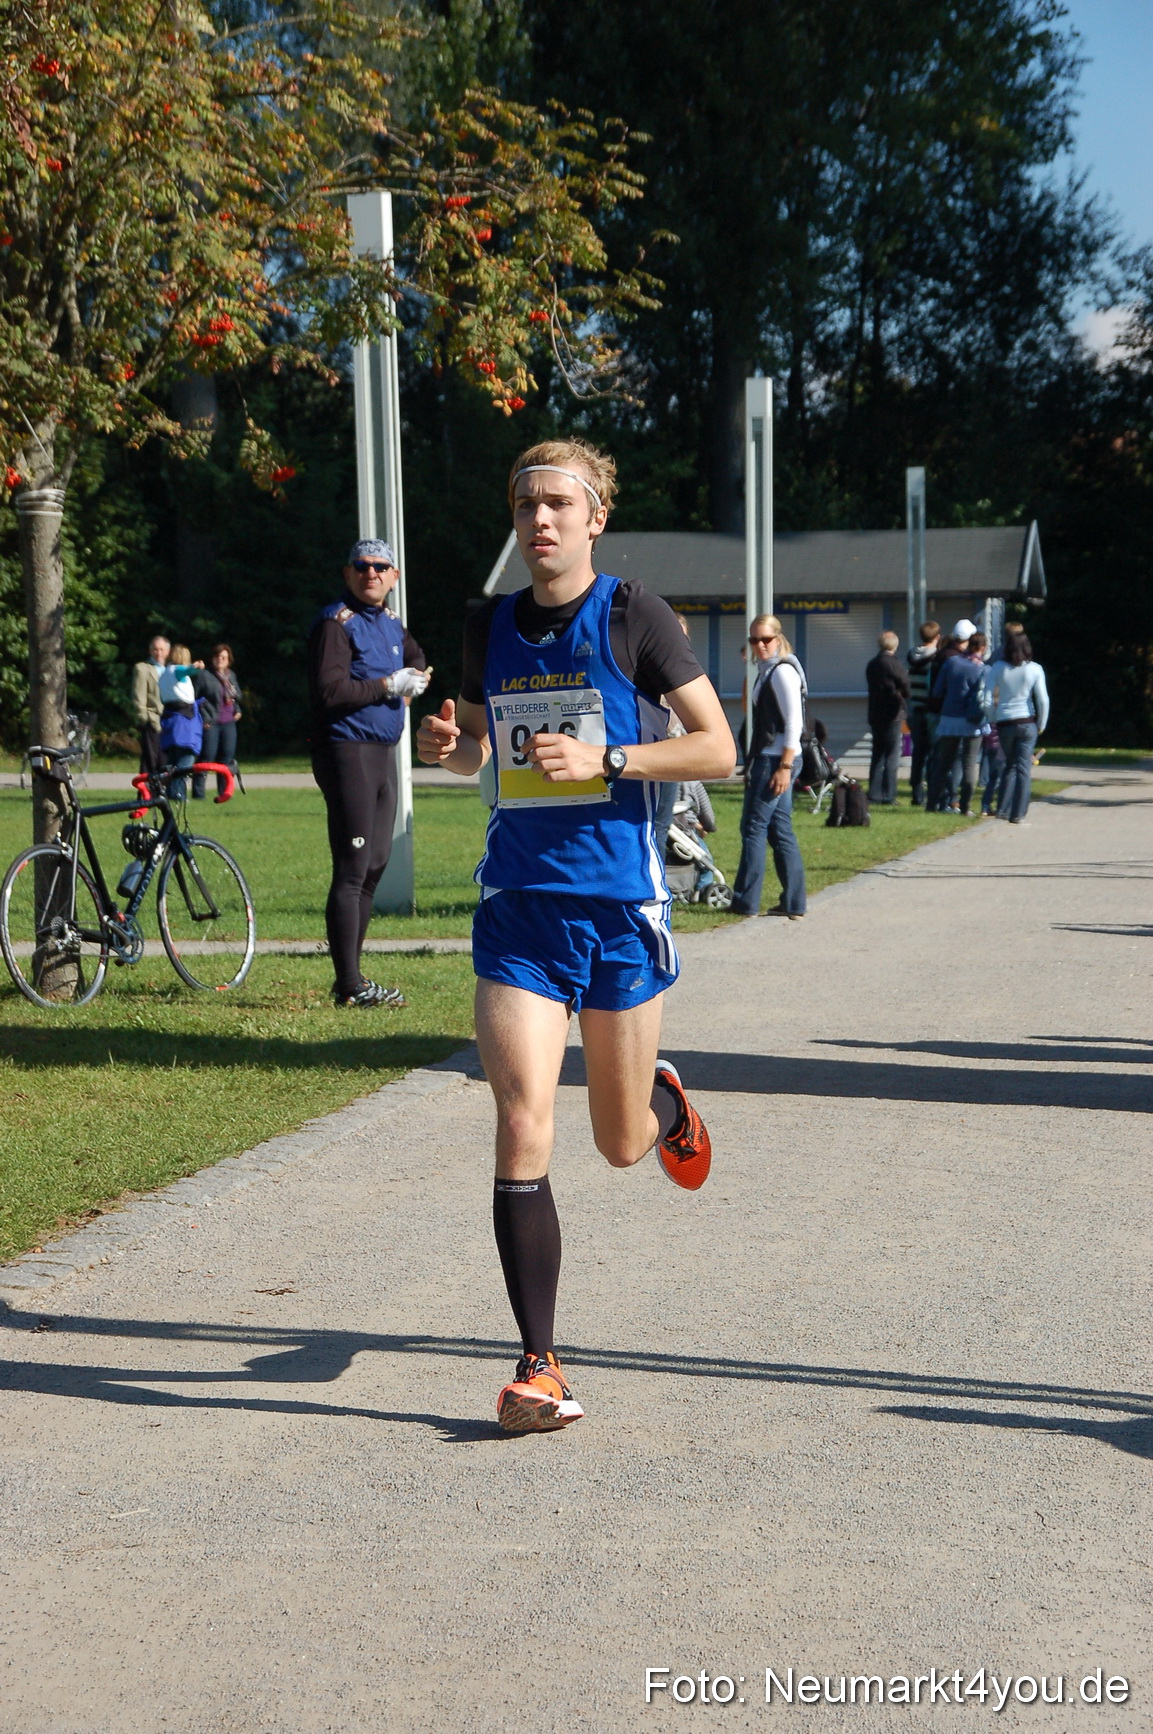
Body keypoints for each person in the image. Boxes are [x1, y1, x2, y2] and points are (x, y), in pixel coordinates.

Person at [416, 437, 735, 1433]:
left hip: (619, 910)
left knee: (619, 1145)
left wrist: (610, 758)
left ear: (594, 517)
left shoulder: (633, 614)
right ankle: (539, 1365)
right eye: (525, 508)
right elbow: (477, 754)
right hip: (519, 907)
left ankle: (657, 1099)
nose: (539, 523)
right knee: (519, 1120)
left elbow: (717, 749)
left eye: (558, 505)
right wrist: (449, 748)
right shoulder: (486, 625)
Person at [307, 539, 430, 1009]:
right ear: (349, 572)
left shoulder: (391, 623)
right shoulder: (337, 623)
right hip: (347, 750)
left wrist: (416, 677)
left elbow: (416, 657)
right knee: (353, 868)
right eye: (362, 566)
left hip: (383, 750)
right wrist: (386, 685)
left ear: (394, 577)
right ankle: (350, 984)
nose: (372, 574)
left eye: (381, 567)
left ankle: (353, 981)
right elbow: (330, 691)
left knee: (376, 864)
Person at [729, 614, 807, 919]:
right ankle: (794, 901)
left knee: (753, 827)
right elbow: (752, 709)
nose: (760, 645)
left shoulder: (782, 672)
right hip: (774, 758)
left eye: (766, 639)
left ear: (778, 638)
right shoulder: (768, 671)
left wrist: (785, 766)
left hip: (776, 759)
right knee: (779, 829)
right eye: (754, 640)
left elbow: (795, 723)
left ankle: (745, 901)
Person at [984, 630, 1050, 822]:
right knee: (1023, 768)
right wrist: (1041, 724)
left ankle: (1003, 809)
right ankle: (1018, 813)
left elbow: (987, 698)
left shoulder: (997, 667)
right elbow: (1043, 700)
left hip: (1005, 722)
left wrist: (992, 717)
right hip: (1027, 722)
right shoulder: (1034, 669)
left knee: (1009, 766)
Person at [925, 626, 987, 815]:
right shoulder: (984, 669)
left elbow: (937, 691)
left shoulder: (951, 663)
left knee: (943, 764)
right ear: (983, 648)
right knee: (969, 764)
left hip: (949, 718)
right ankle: (966, 806)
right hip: (972, 722)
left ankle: (931, 805)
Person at [158, 644, 219, 800]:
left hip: (169, 719)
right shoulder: (177, 671)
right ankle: (179, 796)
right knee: (185, 761)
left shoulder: (164, 673)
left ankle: (170, 795)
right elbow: (186, 670)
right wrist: (195, 667)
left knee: (171, 762)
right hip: (183, 722)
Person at [865, 629, 911, 805]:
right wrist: (903, 694)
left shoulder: (872, 664)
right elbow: (905, 683)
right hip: (892, 713)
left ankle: (874, 793)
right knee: (892, 755)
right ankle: (889, 794)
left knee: (877, 755)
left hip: (875, 712)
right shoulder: (893, 663)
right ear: (895, 645)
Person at [194, 644, 242, 799]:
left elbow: (235, 697)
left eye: (224, 658)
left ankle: (224, 793)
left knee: (226, 759)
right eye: (218, 657)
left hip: (229, 722)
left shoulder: (231, 676)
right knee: (206, 757)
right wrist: (203, 716)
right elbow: (194, 698)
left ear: (229, 660)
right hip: (211, 722)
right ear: (213, 658)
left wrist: (238, 710)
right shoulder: (204, 675)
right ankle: (199, 793)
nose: (220, 660)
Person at [905, 620, 940, 805]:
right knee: (934, 753)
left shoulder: (912, 655)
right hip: (929, 709)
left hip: (914, 708)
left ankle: (916, 793)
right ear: (937, 637)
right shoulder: (935, 658)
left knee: (918, 752)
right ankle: (933, 790)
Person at [132, 634, 169, 775]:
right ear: (150, 651)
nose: (158, 653)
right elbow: (138, 696)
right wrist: (144, 719)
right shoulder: (143, 669)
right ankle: (145, 794)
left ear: (167, 652)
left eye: (161, 649)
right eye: (155, 649)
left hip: (169, 721)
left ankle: (161, 793)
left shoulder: (171, 669)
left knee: (164, 760)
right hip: (152, 721)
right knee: (150, 761)